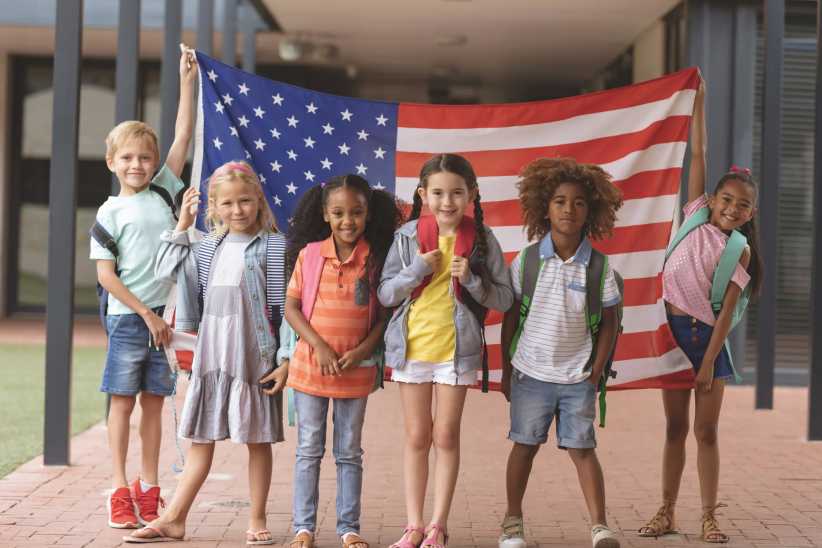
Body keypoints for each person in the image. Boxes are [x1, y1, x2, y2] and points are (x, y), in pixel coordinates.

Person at [125, 161, 288, 545]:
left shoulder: (275, 245)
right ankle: (174, 518)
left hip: (254, 358)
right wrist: (182, 223)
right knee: (201, 439)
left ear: (258, 201)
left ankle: (257, 518)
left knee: (257, 440)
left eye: (245, 201)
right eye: (227, 203)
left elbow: (283, 308)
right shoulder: (207, 247)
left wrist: (283, 359)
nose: (237, 210)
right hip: (212, 357)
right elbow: (163, 271)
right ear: (213, 207)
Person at [638, 77, 762, 544]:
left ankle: (710, 515)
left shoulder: (739, 250)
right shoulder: (693, 215)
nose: (732, 208)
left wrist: (709, 361)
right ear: (712, 199)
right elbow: (698, 153)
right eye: (727, 199)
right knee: (674, 429)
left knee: (705, 433)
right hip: (671, 336)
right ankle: (666, 511)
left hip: (706, 343)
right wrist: (700, 101)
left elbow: (728, 313)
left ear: (750, 214)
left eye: (743, 205)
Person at [379, 153, 513, 548]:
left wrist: (472, 280)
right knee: (417, 435)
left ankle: (438, 525)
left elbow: (504, 300)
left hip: (457, 351)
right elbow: (386, 294)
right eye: (437, 193)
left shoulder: (484, 240)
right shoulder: (406, 237)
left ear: (471, 194)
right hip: (413, 347)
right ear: (423, 194)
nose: (447, 201)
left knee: (447, 435)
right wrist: (416, 270)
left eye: (457, 192)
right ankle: (414, 524)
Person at [89, 44, 196, 530]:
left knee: (155, 404)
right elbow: (105, 276)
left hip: (163, 319)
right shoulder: (109, 212)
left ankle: (149, 489)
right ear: (112, 162)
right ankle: (118, 487)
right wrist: (147, 315)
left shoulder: (162, 191)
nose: (138, 164)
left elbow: (183, 134)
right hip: (130, 319)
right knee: (123, 404)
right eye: (128, 157)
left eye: (145, 157)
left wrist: (188, 82)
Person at [498, 157, 624, 548]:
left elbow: (609, 322)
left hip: (578, 378)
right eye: (559, 201)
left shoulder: (600, 267)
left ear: (592, 211)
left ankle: (600, 527)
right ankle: (512, 522)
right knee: (525, 445)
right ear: (544, 208)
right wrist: (506, 370)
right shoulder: (528, 261)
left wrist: (595, 372)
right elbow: (509, 319)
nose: (569, 209)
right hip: (530, 374)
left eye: (579, 202)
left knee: (583, 450)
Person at [285, 175, 402, 548]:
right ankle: (303, 527)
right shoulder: (311, 255)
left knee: (349, 451)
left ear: (368, 214)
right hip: (310, 370)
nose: (347, 220)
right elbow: (291, 307)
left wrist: (364, 350)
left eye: (356, 212)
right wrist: (317, 345)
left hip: (355, 372)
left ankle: (348, 528)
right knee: (308, 449)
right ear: (325, 214)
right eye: (338, 213)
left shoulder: (376, 259)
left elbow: (385, 315)